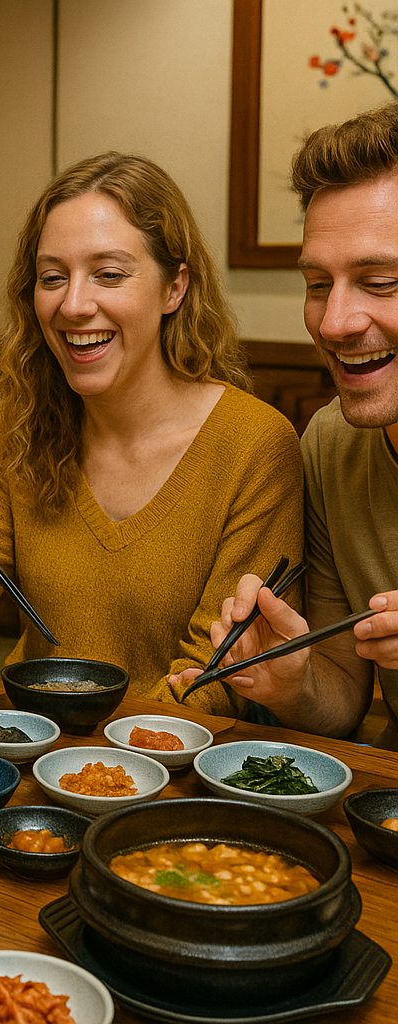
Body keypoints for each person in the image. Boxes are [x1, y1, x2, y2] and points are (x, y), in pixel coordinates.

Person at [0, 152, 303, 717]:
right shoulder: (14, 427)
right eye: (52, 278)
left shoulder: (254, 444)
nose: (73, 305)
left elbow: (217, 672)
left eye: (109, 275)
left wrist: (93, 763)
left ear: (174, 289)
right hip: (26, 742)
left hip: (175, 761)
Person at [170, 106, 398, 745]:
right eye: (319, 284)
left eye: (380, 282)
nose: (334, 323)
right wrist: (292, 681)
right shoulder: (332, 444)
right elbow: (341, 704)